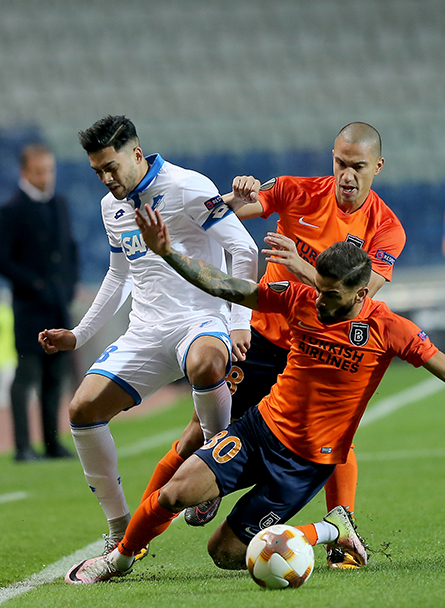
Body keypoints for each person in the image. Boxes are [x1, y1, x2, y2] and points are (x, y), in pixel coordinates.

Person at [64, 207, 445, 584]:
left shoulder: (390, 329)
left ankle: (330, 530)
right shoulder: (301, 297)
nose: (320, 301)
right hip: (259, 430)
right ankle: (117, 560)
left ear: (361, 293)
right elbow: (227, 286)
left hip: (304, 464)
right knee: (172, 494)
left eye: (332, 295)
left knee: (222, 552)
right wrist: (168, 253)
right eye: (319, 286)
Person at [173, 122, 406, 570]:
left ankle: (342, 530)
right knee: (196, 433)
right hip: (264, 335)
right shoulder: (295, 190)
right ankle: (134, 533)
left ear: (377, 166)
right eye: (340, 163)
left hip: (320, 341)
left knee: (337, 439)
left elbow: (362, 297)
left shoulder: (386, 228)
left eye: (358, 166)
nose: (347, 175)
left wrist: (301, 266)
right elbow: (223, 215)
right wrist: (232, 196)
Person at [37, 116, 258, 557]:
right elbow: (119, 274)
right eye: (98, 171)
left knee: (207, 364)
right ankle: (120, 530)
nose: (106, 178)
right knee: (81, 409)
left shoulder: (189, 187)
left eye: (111, 166)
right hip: (146, 331)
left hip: (201, 320)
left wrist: (239, 321)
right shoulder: (111, 207)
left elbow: (245, 250)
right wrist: (79, 336)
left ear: (136, 154)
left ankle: (213, 468)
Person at [0, 144, 78, 462]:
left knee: (55, 377)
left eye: (50, 170)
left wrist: (68, 287)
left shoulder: (60, 204)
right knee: (26, 375)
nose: (46, 177)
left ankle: (53, 444)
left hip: (58, 305)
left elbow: (71, 249)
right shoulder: (11, 210)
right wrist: (35, 283)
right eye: (40, 171)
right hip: (29, 308)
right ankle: (22, 446)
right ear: (24, 172)